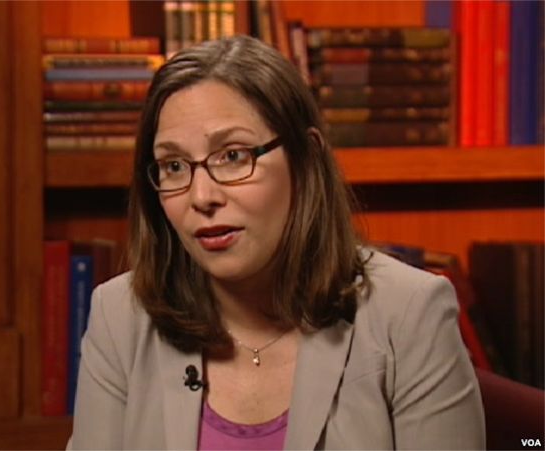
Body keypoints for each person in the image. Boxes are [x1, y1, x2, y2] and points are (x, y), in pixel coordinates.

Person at [68, 35, 485, 450]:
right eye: (173, 165)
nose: (201, 196)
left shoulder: (410, 315)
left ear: (305, 159)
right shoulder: (119, 318)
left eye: (233, 156)